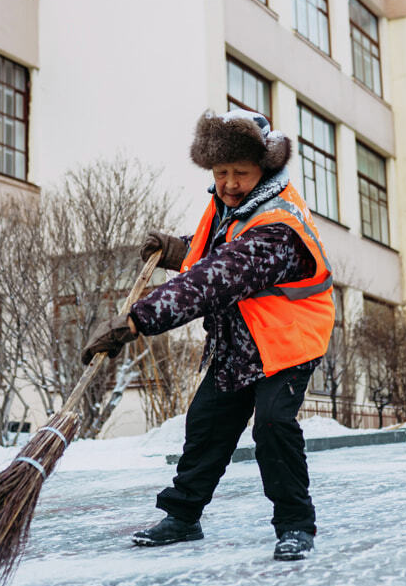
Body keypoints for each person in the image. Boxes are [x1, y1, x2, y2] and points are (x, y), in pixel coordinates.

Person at [81, 109, 334, 562]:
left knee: (273, 425)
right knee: (206, 425)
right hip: (239, 340)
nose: (230, 183)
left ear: (265, 171)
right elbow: (215, 251)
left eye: (241, 173)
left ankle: (295, 525)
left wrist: (137, 321)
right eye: (221, 173)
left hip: (286, 341)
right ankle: (182, 517)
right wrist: (179, 249)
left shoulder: (279, 226)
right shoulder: (232, 207)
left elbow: (217, 277)